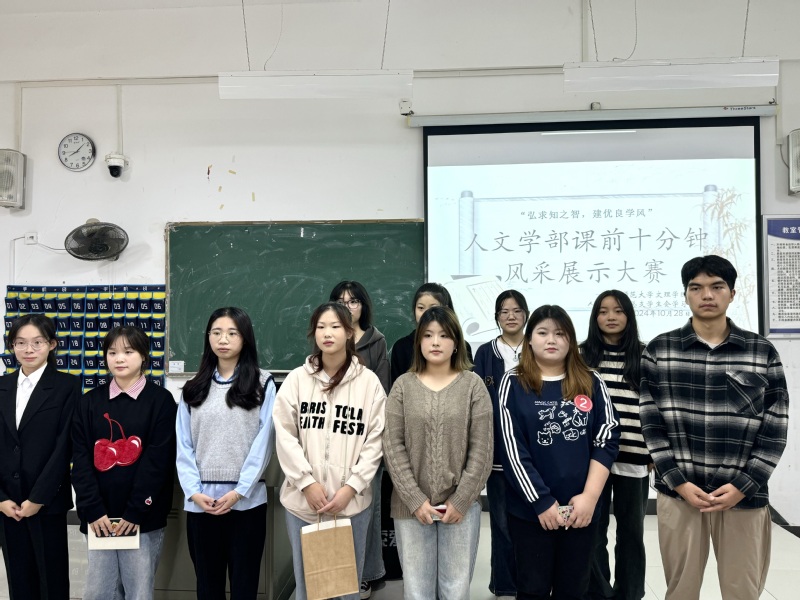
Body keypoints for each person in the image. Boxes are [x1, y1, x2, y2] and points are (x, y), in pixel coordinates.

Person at [639, 255, 789, 600]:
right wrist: (677, 481)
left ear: (732, 293)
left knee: (742, 591)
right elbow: (651, 423)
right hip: (680, 493)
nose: (707, 295)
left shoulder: (760, 352)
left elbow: (775, 426)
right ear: (685, 295)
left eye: (717, 286)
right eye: (696, 288)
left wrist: (744, 484)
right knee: (681, 590)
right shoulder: (660, 350)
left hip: (743, 494)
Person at [497, 305, 619, 600]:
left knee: (574, 588)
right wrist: (541, 501)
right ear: (529, 340)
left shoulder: (591, 380)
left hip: (582, 510)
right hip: (531, 512)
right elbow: (512, 450)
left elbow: (607, 438)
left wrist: (589, 498)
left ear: (571, 340)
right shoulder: (513, 382)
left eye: (560, 333)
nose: (551, 340)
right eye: (542, 332)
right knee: (532, 589)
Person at [273, 302, 385, 600]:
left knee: (346, 590)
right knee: (310, 590)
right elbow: (284, 434)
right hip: (303, 504)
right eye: (321, 327)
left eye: (335, 326)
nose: (327, 333)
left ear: (349, 332)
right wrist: (306, 483)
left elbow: (376, 440)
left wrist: (352, 487)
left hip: (351, 505)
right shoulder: (297, 379)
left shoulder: (369, 384)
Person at [384, 306, 493, 600]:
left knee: (455, 589)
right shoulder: (402, 386)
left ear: (456, 342)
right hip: (410, 507)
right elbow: (392, 447)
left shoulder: (473, 386)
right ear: (418, 341)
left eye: (444, 335)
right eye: (428, 335)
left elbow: (482, 451)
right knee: (417, 590)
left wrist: (460, 500)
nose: (435, 342)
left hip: (461, 508)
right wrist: (415, 500)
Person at [176, 307, 276, 599]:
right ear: (208, 337)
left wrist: (240, 491)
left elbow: (264, 442)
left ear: (245, 338)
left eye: (232, 333)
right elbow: (183, 445)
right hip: (202, 504)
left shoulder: (263, 384)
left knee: (245, 588)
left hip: (246, 503)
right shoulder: (193, 388)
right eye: (216, 332)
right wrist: (193, 492)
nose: (223, 339)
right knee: (208, 589)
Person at [72, 326, 177, 600]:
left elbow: (158, 463)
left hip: (141, 518)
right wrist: (93, 509)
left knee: (138, 592)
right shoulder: (89, 402)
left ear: (143, 356)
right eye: (112, 352)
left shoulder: (161, 402)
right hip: (99, 519)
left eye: (128, 352)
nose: (119, 358)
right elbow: (80, 460)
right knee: (98, 593)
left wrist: (135, 511)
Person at [0, 314, 81, 600]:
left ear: (52, 345)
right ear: (12, 346)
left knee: (52, 581)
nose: (28, 349)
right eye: (20, 343)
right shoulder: (2, 386)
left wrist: (38, 498)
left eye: (37, 342)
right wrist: (1, 498)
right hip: (7, 504)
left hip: (47, 502)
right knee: (19, 582)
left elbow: (64, 447)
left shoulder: (67, 386)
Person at [580, 291, 649, 600]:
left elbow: (655, 405)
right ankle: (598, 593)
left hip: (634, 455)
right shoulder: (581, 355)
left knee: (631, 532)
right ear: (595, 317)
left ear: (628, 316)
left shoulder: (645, 355)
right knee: (592, 530)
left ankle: (630, 593)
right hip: (592, 459)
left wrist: (654, 451)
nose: (611, 317)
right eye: (603, 311)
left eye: (618, 311)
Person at [329, 281, 389, 598]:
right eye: (341, 301)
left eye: (353, 301)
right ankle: (333, 575)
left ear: (363, 306)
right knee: (335, 507)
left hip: (365, 439)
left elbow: (381, 393)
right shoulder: (329, 336)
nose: (347, 306)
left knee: (367, 508)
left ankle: (366, 573)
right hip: (331, 438)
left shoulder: (376, 341)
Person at [473, 290, 530, 599]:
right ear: (496, 317)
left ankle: (532, 582)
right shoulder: (485, 353)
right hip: (497, 455)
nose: (510, 316)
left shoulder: (536, 348)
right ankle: (505, 585)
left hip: (533, 454)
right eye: (504, 311)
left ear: (526, 315)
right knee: (502, 523)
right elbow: (479, 404)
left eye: (517, 310)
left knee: (532, 520)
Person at [389, 283, 473, 386]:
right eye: (421, 308)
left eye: (433, 308)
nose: (426, 313)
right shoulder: (401, 347)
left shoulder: (462, 346)